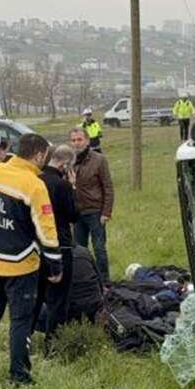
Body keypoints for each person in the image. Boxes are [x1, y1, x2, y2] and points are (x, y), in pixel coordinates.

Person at [0, 133, 62, 385]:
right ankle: (19, 375)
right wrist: (55, 265)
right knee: (21, 320)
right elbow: (47, 230)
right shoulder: (35, 185)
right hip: (20, 265)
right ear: (39, 155)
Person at [34, 144, 79, 339]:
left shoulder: (35, 180)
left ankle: (26, 337)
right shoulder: (63, 185)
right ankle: (53, 342)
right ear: (66, 164)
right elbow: (73, 215)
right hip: (60, 245)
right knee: (58, 299)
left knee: (37, 296)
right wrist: (73, 187)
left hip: (36, 244)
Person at [68, 127, 114, 280]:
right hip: (76, 214)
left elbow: (107, 186)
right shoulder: (68, 161)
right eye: (73, 140)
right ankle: (85, 280)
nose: (76, 143)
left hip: (95, 212)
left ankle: (105, 281)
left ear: (87, 141)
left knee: (99, 250)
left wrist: (106, 212)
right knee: (79, 251)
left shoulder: (99, 160)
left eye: (79, 139)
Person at [67, 245, 103, 324]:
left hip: (71, 313)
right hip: (95, 308)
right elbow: (100, 283)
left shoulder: (51, 258)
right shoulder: (84, 251)